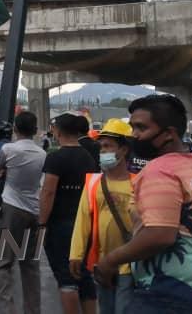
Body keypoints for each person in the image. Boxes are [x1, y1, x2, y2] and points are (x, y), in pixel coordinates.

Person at [96, 95, 192, 313]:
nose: (134, 135)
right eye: (132, 128)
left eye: (141, 128)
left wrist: (110, 261)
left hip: (167, 296)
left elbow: (160, 234)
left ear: (169, 133)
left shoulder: (159, 170)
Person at [68, 119, 136, 314]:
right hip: (102, 265)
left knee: (123, 309)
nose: (103, 151)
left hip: (130, 264)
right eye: (101, 147)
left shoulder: (139, 182)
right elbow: (83, 220)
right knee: (106, 309)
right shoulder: (94, 182)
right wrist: (76, 254)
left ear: (123, 150)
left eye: (108, 146)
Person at [39, 112, 98, 314]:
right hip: (85, 223)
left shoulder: (56, 158)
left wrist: (42, 222)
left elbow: (48, 192)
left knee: (66, 278)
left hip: (60, 225)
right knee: (84, 275)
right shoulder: (88, 157)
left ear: (59, 131)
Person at [0, 111, 45, 314]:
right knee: (31, 265)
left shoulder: (8, 149)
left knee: (4, 263)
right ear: (35, 130)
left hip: (12, 210)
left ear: (15, 129)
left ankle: (8, 310)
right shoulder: (42, 154)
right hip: (34, 211)